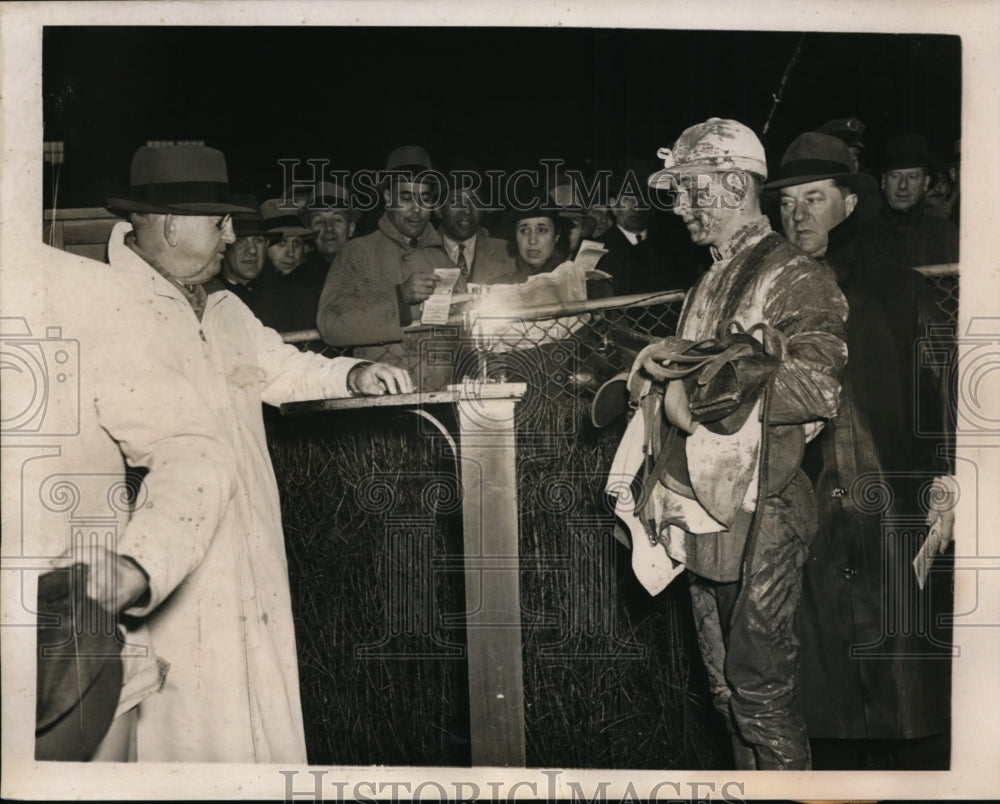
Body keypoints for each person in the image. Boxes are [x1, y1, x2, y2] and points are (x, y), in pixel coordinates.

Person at [46, 144, 412, 763]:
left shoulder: (223, 307)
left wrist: (353, 374)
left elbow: (280, 367)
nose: (232, 235)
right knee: (187, 729)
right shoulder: (106, 308)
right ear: (168, 224)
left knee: (260, 721)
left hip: (250, 548)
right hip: (166, 573)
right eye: (219, 221)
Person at [615, 118, 849, 770]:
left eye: (694, 190)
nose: (682, 207)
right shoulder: (707, 281)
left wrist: (709, 378)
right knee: (724, 693)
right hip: (709, 511)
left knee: (760, 694)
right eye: (678, 193)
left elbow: (819, 386)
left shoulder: (791, 274)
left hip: (766, 506)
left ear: (738, 182)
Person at [767, 131, 955, 770]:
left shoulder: (903, 292)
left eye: (814, 198)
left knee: (905, 708)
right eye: (787, 202)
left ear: (848, 202)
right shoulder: (767, 302)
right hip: (807, 522)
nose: (798, 215)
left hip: (892, 520)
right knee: (824, 718)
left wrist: (946, 487)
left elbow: (944, 399)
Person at [316, 146, 455, 389]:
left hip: (440, 394)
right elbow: (330, 325)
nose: (416, 209)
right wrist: (400, 298)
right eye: (406, 197)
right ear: (388, 198)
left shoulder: (442, 258)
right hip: (381, 397)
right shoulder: (357, 252)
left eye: (425, 198)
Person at [598, 157, 703, 295]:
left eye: (643, 200)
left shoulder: (675, 246)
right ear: (613, 205)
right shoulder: (598, 250)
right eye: (628, 199)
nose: (637, 207)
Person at [860, 133, 959, 269]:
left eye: (912, 177)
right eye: (895, 176)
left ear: (926, 183)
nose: (902, 186)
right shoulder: (860, 236)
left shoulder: (947, 234)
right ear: (883, 182)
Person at [435, 168, 517, 289]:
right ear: (438, 210)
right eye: (457, 202)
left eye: (475, 202)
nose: (467, 210)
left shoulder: (507, 253)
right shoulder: (421, 255)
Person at [256, 197, 325, 332]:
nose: (291, 253)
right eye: (282, 243)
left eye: (296, 243)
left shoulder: (310, 291)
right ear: (263, 245)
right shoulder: (251, 291)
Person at [296, 179, 361, 300]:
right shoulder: (296, 282)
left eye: (337, 219)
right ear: (309, 231)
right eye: (319, 221)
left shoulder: (371, 272)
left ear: (351, 228)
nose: (329, 228)